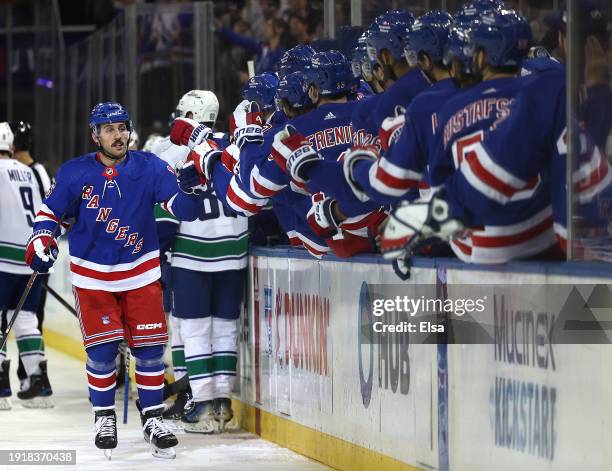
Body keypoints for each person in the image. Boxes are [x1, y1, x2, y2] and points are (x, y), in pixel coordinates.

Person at [25, 102, 203, 459]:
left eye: (122, 127)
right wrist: (41, 240)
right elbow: (49, 214)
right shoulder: (75, 173)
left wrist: (191, 189)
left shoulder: (150, 167)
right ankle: (103, 415)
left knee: (151, 353)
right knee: (103, 354)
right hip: (94, 279)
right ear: (96, 135)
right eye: (109, 129)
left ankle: (152, 417)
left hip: (141, 274)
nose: (118, 135)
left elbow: (185, 211)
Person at [154, 90, 248, 433]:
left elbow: (163, 208)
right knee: (225, 330)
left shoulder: (173, 150)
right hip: (234, 252)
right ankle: (223, 403)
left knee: (193, 331)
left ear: (189, 114)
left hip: (192, 253)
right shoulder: (233, 144)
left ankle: (203, 403)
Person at [0, 122, 52, 411]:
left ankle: (1, 388)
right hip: (31, 255)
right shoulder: (28, 172)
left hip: (3, 254)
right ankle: (38, 381)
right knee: (25, 319)